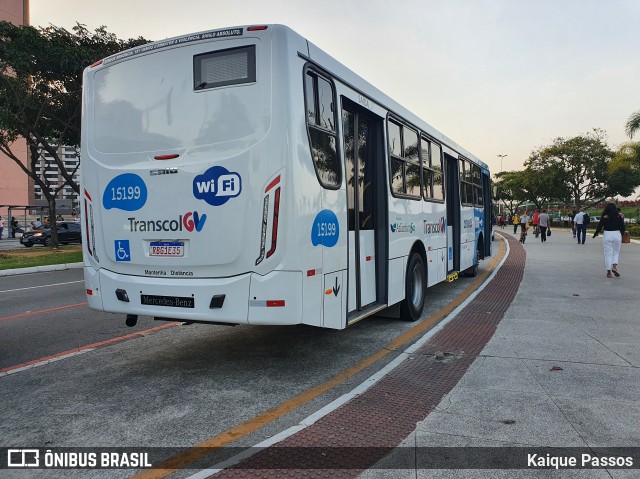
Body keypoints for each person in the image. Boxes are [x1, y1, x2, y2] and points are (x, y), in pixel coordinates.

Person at [593, 203, 625, 278]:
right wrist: (622, 233)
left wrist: (595, 234)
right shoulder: (618, 216)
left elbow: (599, 227)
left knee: (608, 253)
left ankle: (608, 272)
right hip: (617, 234)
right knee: (616, 252)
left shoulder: (604, 217)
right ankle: (614, 267)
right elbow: (623, 227)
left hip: (607, 234)